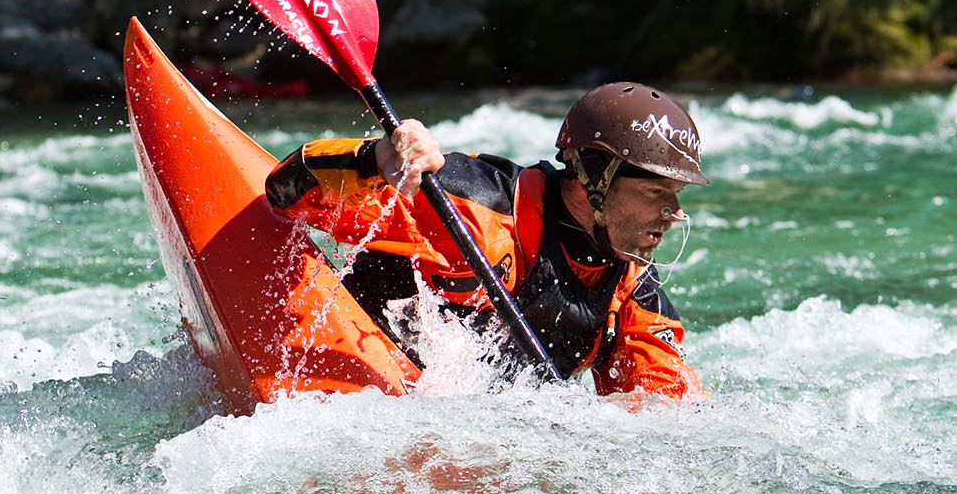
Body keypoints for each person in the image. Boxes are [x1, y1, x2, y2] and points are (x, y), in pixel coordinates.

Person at [266, 82, 709, 400]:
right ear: (592, 177)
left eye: (676, 196)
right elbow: (286, 192)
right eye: (655, 193)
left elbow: (663, 409)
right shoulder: (467, 204)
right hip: (345, 382)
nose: (673, 213)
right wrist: (377, 159)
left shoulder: (633, 293)